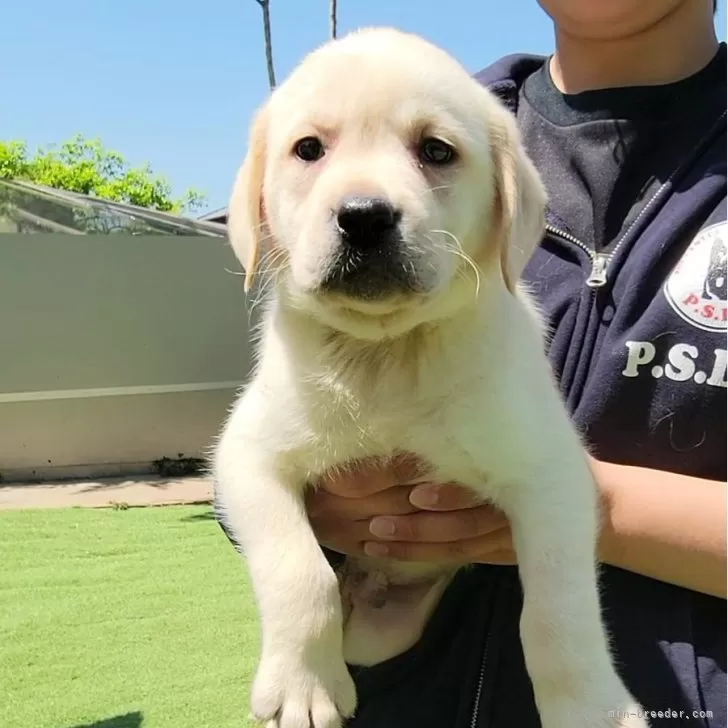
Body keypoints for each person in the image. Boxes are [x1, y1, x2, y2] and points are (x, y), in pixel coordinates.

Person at [215, 0, 726, 725]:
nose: (363, 199)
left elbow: (549, 478)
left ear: (507, 209)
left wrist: (601, 513)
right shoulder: (458, 96)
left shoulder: (481, 134)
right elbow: (249, 465)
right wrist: (305, 571)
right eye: (308, 150)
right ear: (259, 201)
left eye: (433, 153)